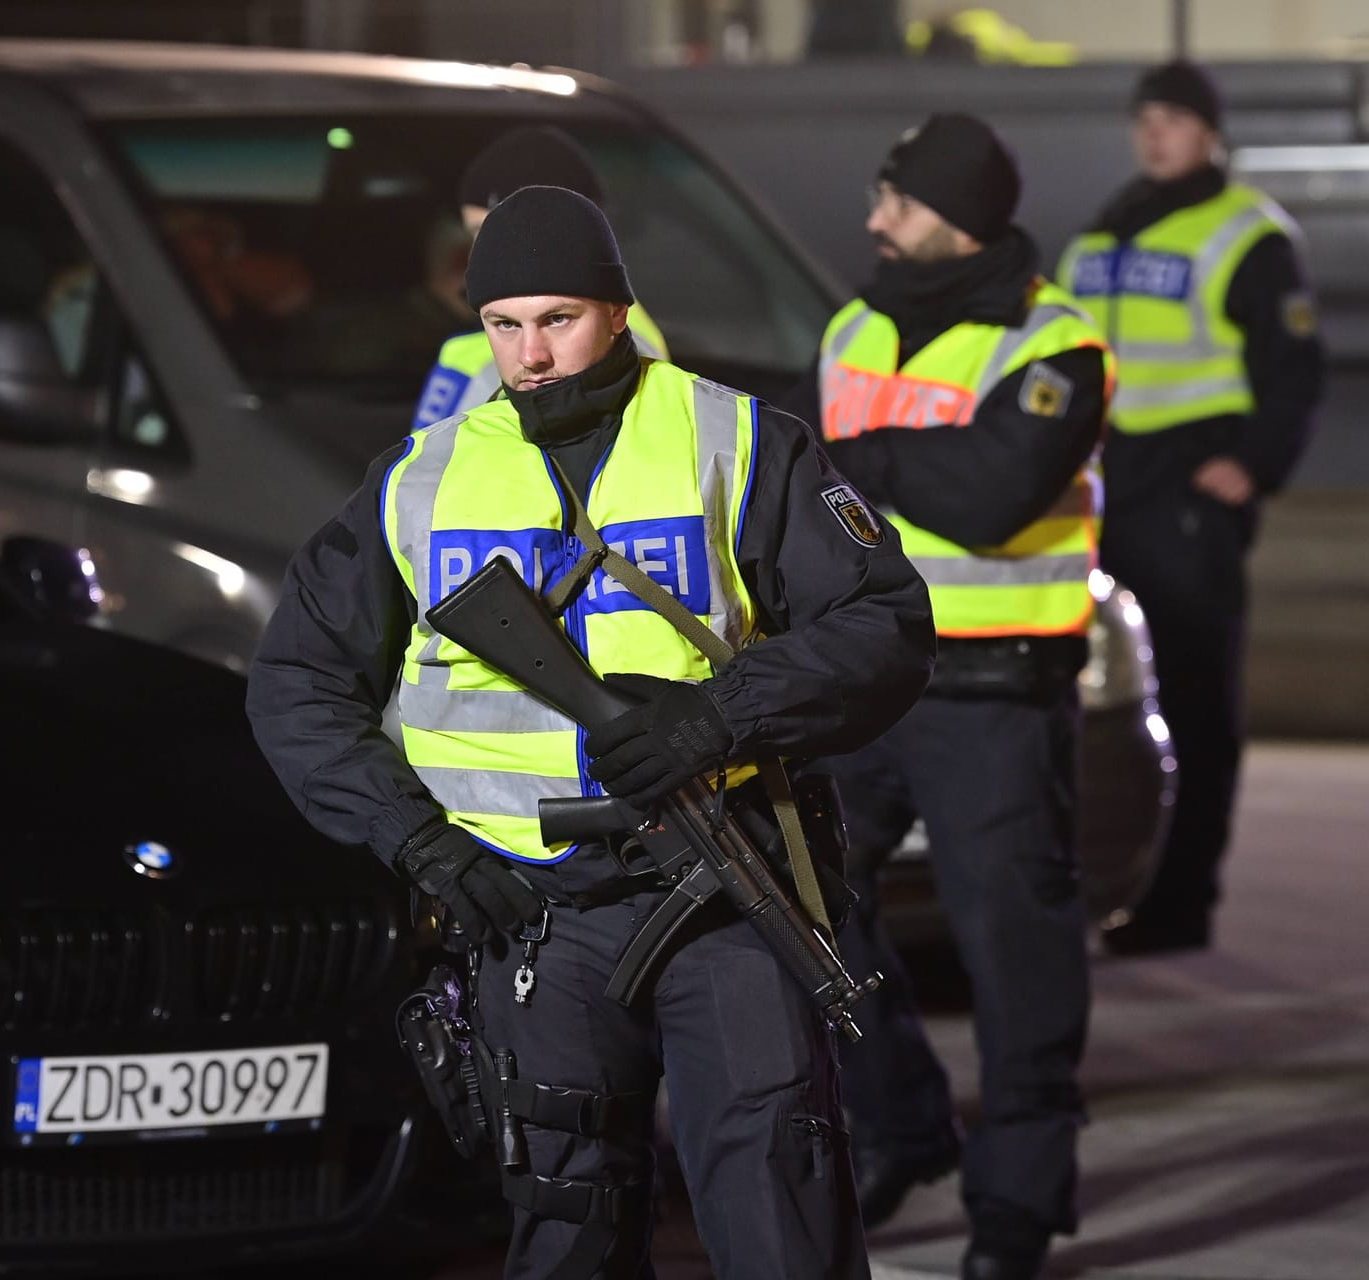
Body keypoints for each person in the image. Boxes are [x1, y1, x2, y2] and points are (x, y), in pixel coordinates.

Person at [247, 183, 934, 1278]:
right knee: (569, 1223)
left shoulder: (741, 439)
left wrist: (718, 716)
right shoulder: (422, 480)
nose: (530, 355)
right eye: (503, 325)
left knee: (780, 1210)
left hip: (724, 881)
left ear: (618, 311)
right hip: (535, 912)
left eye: (556, 318)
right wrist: (422, 845)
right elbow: (294, 682)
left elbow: (888, 624)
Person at [781, 114, 1112, 1280]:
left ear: (956, 213)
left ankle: (1016, 1198)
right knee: (811, 901)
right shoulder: (856, 324)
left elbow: (994, 496)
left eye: (897, 200)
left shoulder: (1056, 343)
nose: (874, 221)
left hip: (995, 690)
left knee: (1014, 947)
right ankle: (904, 1117)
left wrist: (863, 461)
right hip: (867, 673)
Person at [1057, 60, 1325, 954]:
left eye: (1173, 118)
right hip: (1107, 492)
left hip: (1185, 499)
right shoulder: (1103, 231)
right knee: (1108, 707)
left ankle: (1180, 902)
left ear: (1210, 131)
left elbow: (1293, 369)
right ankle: (1113, 884)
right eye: (1147, 118)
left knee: (1196, 698)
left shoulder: (1246, 233)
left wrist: (1250, 466)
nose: (1155, 133)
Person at [412, 126, 667, 429]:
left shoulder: (615, 349)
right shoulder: (605, 324)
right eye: (475, 235)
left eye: (488, 232)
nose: (476, 255)